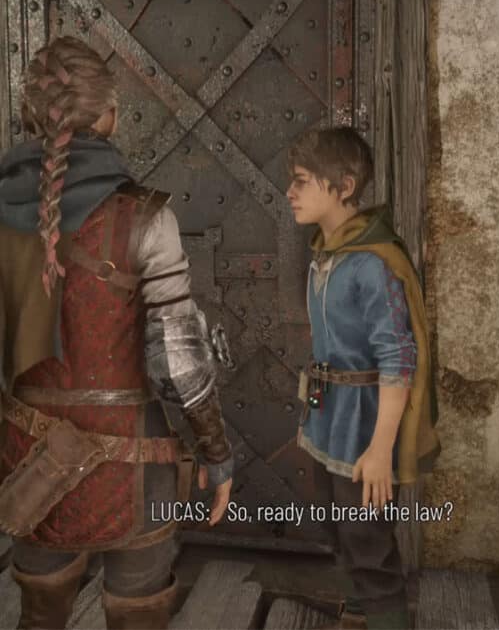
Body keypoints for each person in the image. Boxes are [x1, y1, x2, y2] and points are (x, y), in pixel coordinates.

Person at [0, 36, 233, 629]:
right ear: (108, 116)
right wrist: (217, 454)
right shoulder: (147, 217)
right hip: (133, 464)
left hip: (29, 461)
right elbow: (177, 363)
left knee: (39, 614)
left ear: (32, 114)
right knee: (138, 612)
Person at [286, 127, 440, 630]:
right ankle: (357, 618)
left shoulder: (372, 264)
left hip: (365, 427)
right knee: (337, 533)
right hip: (328, 418)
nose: (290, 192)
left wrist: (379, 450)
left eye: (302, 181)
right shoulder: (326, 255)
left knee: (369, 546)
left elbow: (397, 358)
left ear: (345, 186)